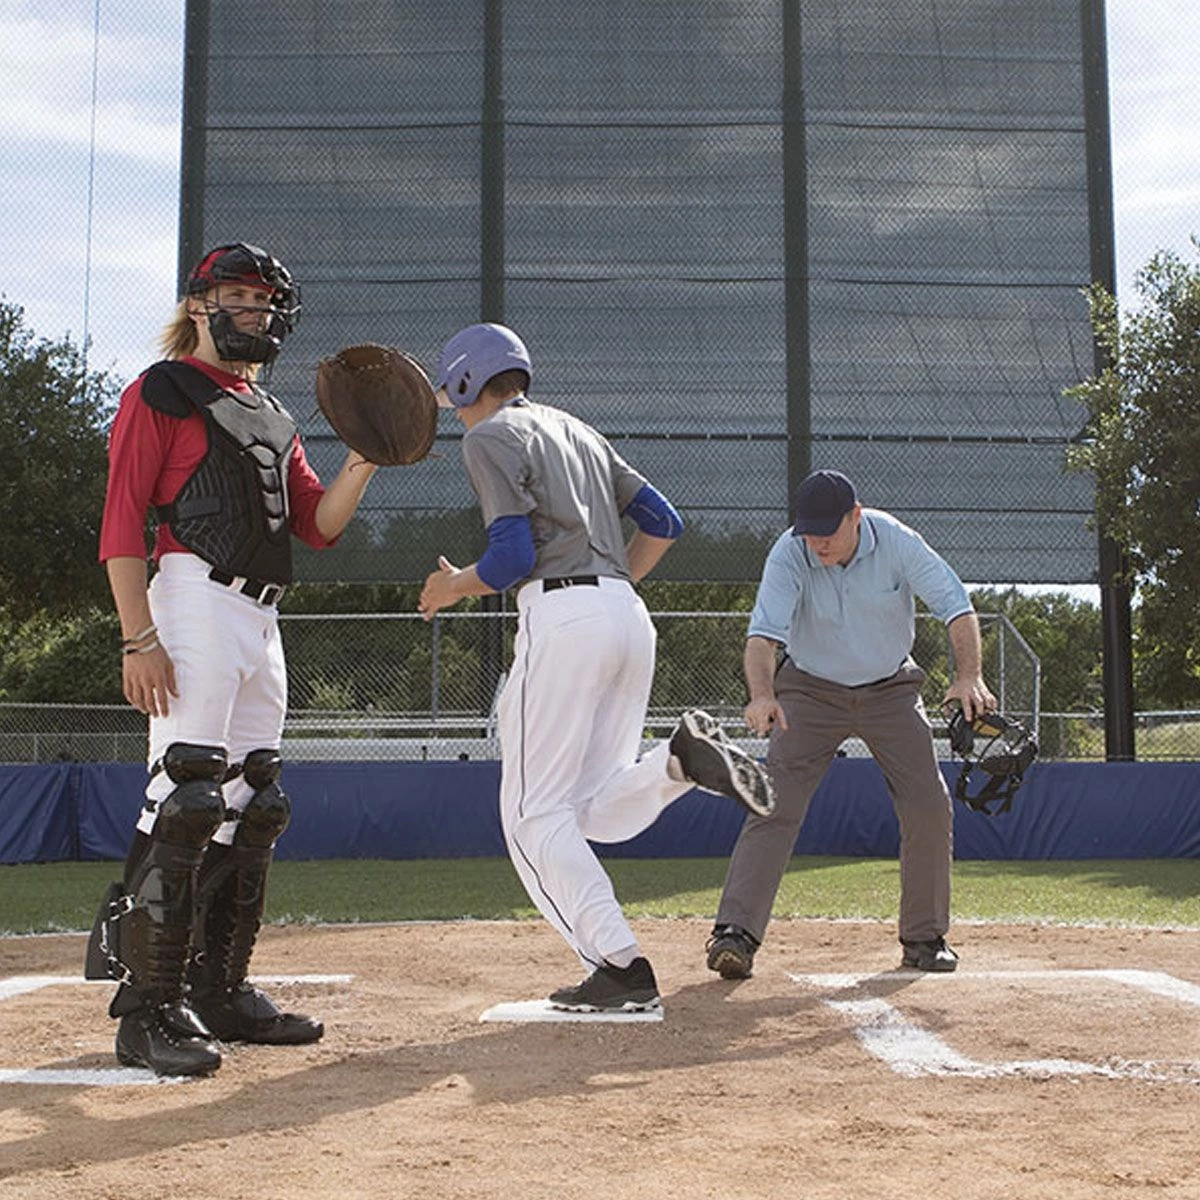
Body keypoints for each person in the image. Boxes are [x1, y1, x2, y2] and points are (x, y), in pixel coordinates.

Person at [417, 322, 774, 1013]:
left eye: (451, 390)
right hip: (625, 619)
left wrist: (453, 585)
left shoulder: (489, 436)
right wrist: (614, 588)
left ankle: (618, 965)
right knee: (589, 810)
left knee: (530, 817)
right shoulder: (578, 429)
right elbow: (664, 522)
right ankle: (676, 762)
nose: (452, 406)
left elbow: (513, 558)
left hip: (563, 618)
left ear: (467, 380)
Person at [87, 242, 381, 1076]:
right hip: (189, 595)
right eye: (239, 296)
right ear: (200, 305)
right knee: (186, 794)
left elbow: (317, 526)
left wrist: (364, 459)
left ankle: (218, 990)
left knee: (255, 799)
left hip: (260, 611)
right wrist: (137, 636)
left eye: (265, 300)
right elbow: (121, 520)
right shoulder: (162, 389)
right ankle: (146, 1009)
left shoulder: (272, 414)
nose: (255, 312)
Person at [705, 469, 996, 980]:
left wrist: (969, 675)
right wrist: (763, 694)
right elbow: (763, 635)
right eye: (808, 531)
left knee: (927, 804)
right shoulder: (790, 552)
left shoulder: (898, 541)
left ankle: (925, 939)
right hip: (810, 691)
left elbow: (956, 605)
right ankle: (735, 935)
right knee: (774, 802)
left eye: (828, 531)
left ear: (855, 517)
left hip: (890, 688)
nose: (817, 542)